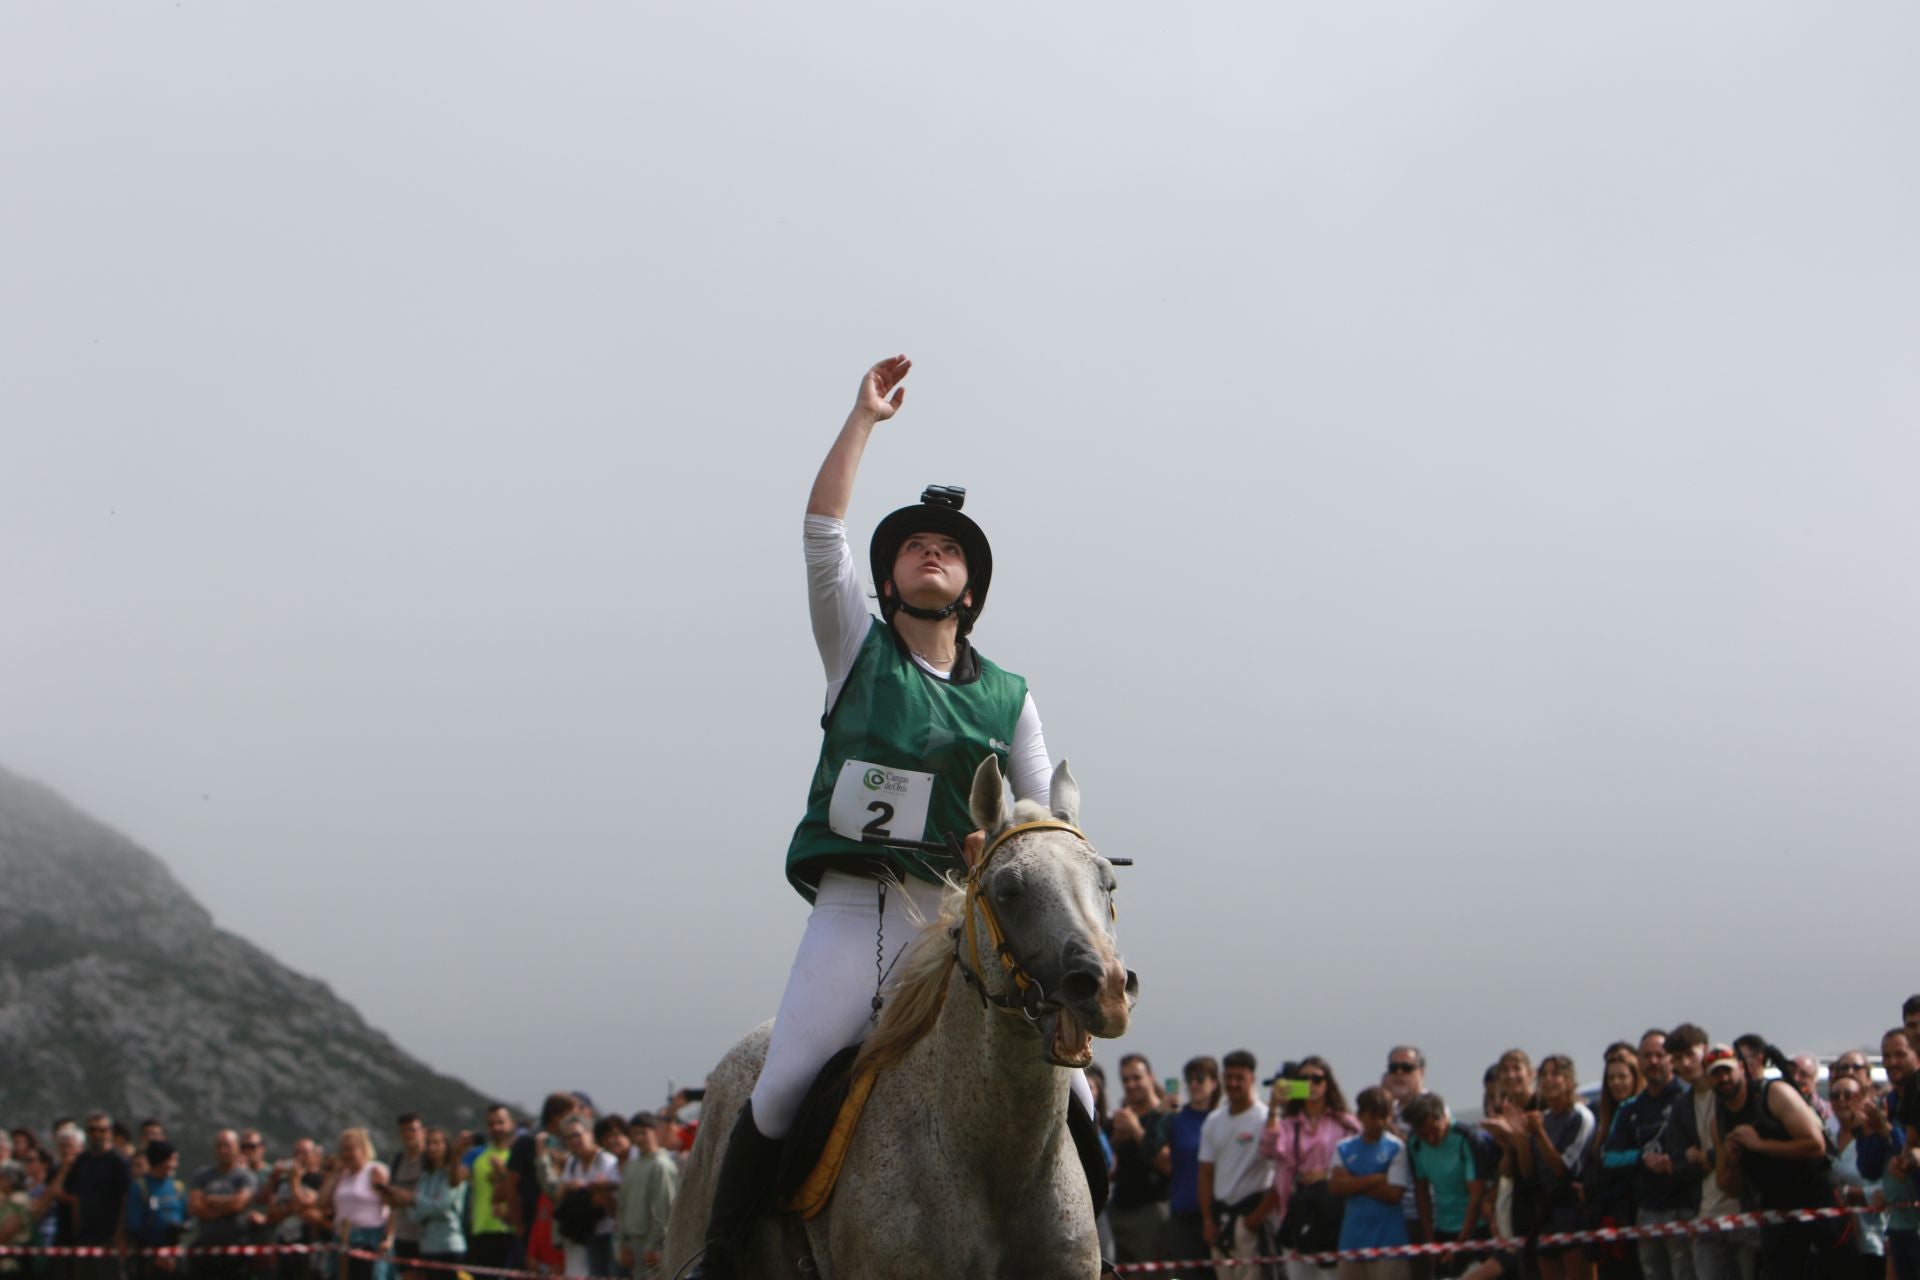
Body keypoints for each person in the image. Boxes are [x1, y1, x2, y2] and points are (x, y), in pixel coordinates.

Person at [688, 355, 1090, 1280]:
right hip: (855, 911)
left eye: (948, 548)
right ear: (891, 579)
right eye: (912, 545)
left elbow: (1038, 822)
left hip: (963, 925)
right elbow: (822, 531)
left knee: (1078, 1107)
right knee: (784, 1085)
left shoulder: (1012, 698)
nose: (931, 550)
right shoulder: (854, 648)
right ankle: (719, 1255)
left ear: (971, 592)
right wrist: (862, 419)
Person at [1707, 1044, 1833, 1280]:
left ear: (1742, 1068)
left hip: (1817, 1202)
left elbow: (1816, 1146)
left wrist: (1759, 1145)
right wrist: (1734, 1160)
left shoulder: (1774, 1094)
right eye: (1715, 1074)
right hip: (1774, 1212)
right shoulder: (1719, 1122)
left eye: (1727, 1070)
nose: (1723, 1078)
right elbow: (1729, 1186)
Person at [1600, 1029, 1699, 1280]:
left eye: (1659, 1055)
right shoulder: (1630, 1108)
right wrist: (1641, 1158)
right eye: (1647, 1056)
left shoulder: (1689, 1098)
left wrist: (1677, 1161)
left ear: (1671, 1059)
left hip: (1686, 1207)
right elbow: (1608, 1157)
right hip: (1647, 1211)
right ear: (1639, 1061)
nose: (1653, 1061)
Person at [1663, 1024, 1756, 1280]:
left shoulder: (1729, 1092)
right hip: (1704, 1214)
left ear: (1704, 1051)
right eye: (1678, 1059)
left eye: (1690, 1054)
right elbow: (1679, 1164)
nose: (1686, 1063)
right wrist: (1711, 1158)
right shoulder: (1681, 1108)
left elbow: (1744, 1144)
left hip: (1743, 1210)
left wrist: (1707, 1156)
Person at [1261, 1057, 1360, 1280]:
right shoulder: (1288, 1124)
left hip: (1333, 1214)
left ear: (1328, 1084)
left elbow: (1360, 1162)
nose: (1311, 1085)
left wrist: (1325, 1175)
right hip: (1298, 1212)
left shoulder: (1345, 1123)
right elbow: (1270, 1150)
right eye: (1304, 1079)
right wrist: (1274, 1107)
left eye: (1317, 1079)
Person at [1199, 1050, 1275, 1270]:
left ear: (1252, 1079)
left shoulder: (1264, 1119)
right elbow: (1205, 1173)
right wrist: (1207, 1220)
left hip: (1251, 1218)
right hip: (1221, 1218)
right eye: (1229, 1077)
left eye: (1239, 1078)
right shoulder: (1214, 1120)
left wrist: (1255, 1219)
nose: (1233, 1083)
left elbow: (1280, 1173)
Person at [1402, 1094, 1489, 1280]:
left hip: (1477, 1228)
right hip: (1444, 1227)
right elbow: (1422, 1192)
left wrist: (1461, 1244)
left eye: (1434, 1130)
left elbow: (1477, 1194)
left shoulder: (1466, 1137)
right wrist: (1430, 1242)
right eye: (1424, 1134)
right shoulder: (1414, 1144)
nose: (1431, 1138)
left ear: (1443, 1117)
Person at [1330, 1088, 1413, 1280]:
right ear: (1360, 1115)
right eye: (1373, 1116)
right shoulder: (1343, 1147)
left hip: (1389, 1243)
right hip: (1352, 1242)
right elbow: (1335, 1187)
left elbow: (1393, 1194)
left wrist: (1352, 1181)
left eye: (1384, 1117)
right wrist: (1375, 1179)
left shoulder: (1396, 1147)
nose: (1379, 1123)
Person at [1528, 1056, 1597, 1280]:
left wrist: (1539, 1134)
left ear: (1568, 1080)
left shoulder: (1580, 1117)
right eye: (1544, 1075)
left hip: (1572, 1210)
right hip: (1546, 1213)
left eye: (1555, 1074)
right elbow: (1532, 1170)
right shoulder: (1543, 1119)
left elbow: (1565, 1169)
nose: (1548, 1080)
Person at [1110, 1054, 1172, 1265]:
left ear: (1151, 1077)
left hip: (1151, 1211)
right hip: (1119, 1208)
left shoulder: (1166, 1116)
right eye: (1125, 1080)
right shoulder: (1120, 1118)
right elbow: (1109, 1170)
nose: (1131, 1085)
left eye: (1136, 1078)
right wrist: (1114, 1142)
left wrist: (1136, 1130)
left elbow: (1167, 1164)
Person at [1827, 1071, 1887, 1280]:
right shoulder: (1827, 1138)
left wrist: (1853, 1194)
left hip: (1873, 1240)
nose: (1842, 1101)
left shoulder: (1874, 1139)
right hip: (1837, 1240)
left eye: (1849, 1094)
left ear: (1862, 1097)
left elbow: (1889, 1188)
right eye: (1835, 1095)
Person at [1165, 1055, 1220, 1276]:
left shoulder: (1222, 1119)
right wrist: (1161, 1112)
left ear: (1214, 1082)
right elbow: (1150, 1150)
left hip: (1217, 1217)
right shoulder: (1176, 1120)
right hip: (1183, 1215)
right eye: (1190, 1078)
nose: (1194, 1083)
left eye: (1200, 1077)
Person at [453, 1105, 522, 1271]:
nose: (496, 1127)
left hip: (513, 1229)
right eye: (491, 1124)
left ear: (511, 1124)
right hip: (483, 1230)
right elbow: (455, 1181)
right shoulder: (476, 1154)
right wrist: (456, 1153)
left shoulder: (520, 1154)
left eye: (500, 1122)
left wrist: (503, 1174)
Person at [188, 1131, 260, 1280]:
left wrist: (210, 1202)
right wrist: (228, 1203)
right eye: (219, 1146)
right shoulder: (202, 1175)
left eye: (227, 1146)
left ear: (237, 1149)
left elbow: (239, 1204)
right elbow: (194, 1206)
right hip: (206, 1252)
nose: (223, 1150)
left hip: (236, 1252)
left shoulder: (246, 1177)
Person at [319, 1129, 389, 1280]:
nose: (346, 1154)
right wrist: (333, 1176)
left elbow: (390, 1204)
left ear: (363, 1149)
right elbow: (321, 1202)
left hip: (369, 1238)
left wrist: (388, 1237)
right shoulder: (342, 1175)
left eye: (350, 1149)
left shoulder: (375, 1170)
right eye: (343, 1150)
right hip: (343, 1236)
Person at [554, 1118, 618, 1279]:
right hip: (587, 1231)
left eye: (577, 1135)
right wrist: (572, 1186)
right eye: (568, 1138)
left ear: (590, 1134)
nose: (573, 1141)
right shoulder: (572, 1163)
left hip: (611, 1231)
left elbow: (609, 1195)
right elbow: (558, 1194)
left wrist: (584, 1187)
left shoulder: (607, 1160)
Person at [617, 1116, 678, 1280]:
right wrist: (623, 1242)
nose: (638, 1138)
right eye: (634, 1134)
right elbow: (622, 1206)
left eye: (643, 1133)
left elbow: (664, 1208)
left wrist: (655, 1246)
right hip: (633, 1242)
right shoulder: (631, 1165)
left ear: (656, 1132)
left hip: (650, 1244)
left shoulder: (661, 1165)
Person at [124, 1141, 187, 1280]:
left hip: (174, 1257)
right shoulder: (140, 1188)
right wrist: (154, 1256)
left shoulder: (177, 1187)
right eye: (171, 1160)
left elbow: (186, 1218)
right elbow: (134, 1226)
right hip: (148, 1260)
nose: (175, 1165)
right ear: (161, 1160)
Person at [407, 1129, 466, 1274]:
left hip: (449, 1246)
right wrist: (423, 1204)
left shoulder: (454, 1174)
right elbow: (413, 1215)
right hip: (427, 1246)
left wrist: (415, 1200)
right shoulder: (425, 1177)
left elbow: (442, 1205)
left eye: (437, 1143)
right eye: (429, 1143)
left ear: (446, 1146)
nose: (432, 1147)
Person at [379, 1116, 426, 1280]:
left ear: (422, 1132)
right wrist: (389, 1235)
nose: (408, 1134)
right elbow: (393, 1203)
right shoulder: (398, 1160)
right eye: (404, 1130)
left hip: (427, 1234)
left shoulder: (429, 1160)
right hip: (403, 1233)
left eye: (412, 1129)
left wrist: (406, 1197)